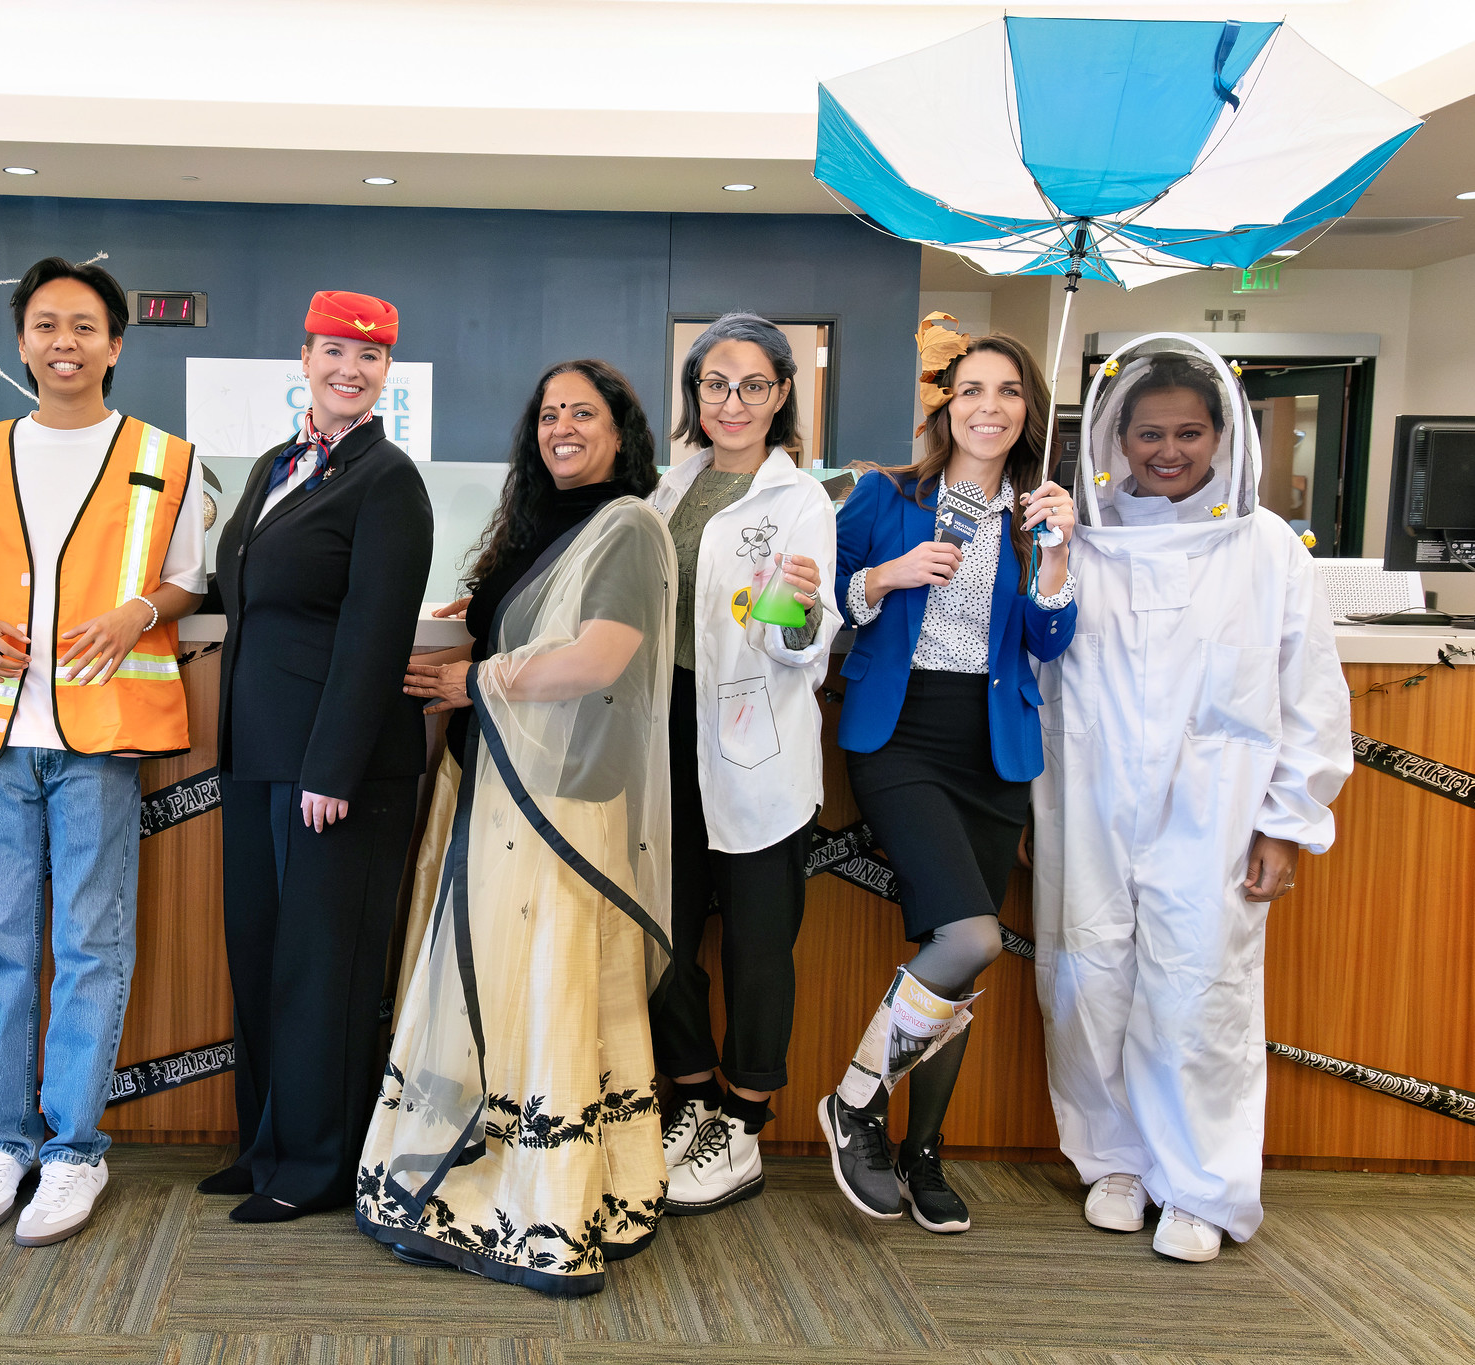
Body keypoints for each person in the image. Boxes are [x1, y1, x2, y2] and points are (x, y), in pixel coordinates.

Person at [356, 359, 676, 1297]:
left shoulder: (627, 523)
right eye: (548, 413)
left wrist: (475, 679)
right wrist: (480, 617)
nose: (562, 427)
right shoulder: (546, 528)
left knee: (543, 989)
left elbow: (598, 657)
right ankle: (532, 1179)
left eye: (583, 412)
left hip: (562, 802)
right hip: (503, 785)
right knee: (515, 987)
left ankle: (543, 1204)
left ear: (622, 431)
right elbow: (538, 628)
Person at [1031, 334, 1351, 1264]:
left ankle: (1203, 1185)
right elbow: (1041, 678)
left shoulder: (1264, 550)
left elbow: (1309, 694)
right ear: (1115, 439)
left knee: (1200, 989)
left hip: (1213, 811)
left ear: (1222, 436)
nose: (1166, 451)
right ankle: (1114, 1162)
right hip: (1086, 801)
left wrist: (1285, 825)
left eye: (1187, 432)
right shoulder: (1079, 538)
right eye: (1147, 434)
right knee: (1088, 979)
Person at [0, 258, 204, 1246]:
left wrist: (139, 609)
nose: (64, 341)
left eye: (84, 325)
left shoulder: (165, 455)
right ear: (22, 340)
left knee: (88, 947)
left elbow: (184, 579)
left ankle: (74, 1150)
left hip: (99, 738)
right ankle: (2, 1141)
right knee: (2, 951)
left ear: (115, 345)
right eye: (45, 324)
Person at [818, 318, 1076, 1235]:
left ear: (1026, 411)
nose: (989, 406)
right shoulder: (884, 494)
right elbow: (818, 606)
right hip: (899, 735)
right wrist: (885, 576)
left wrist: (1053, 560)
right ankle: (854, 1102)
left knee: (957, 974)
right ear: (946, 404)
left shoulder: (1038, 509)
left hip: (993, 746)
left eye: (1007, 391)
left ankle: (921, 1148)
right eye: (972, 389)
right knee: (967, 935)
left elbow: (1048, 643)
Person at [202, 291, 433, 1223]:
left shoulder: (389, 480)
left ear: (385, 374)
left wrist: (329, 769)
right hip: (258, 757)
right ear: (304, 356)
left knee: (321, 970)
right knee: (259, 957)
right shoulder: (273, 466)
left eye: (370, 357)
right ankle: (264, 1143)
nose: (351, 368)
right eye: (335, 350)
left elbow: (375, 636)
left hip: (335, 773)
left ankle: (317, 1163)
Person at [647, 314, 840, 1212]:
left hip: (752, 739)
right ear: (693, 394)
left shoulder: (801, 500)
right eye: (715, 383)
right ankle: (689, 1092)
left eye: (753, 384)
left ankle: (743, 1118)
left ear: (781, 395)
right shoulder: (663, 489)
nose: (732, 401)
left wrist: (796, 612)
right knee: (662, 937)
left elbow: (805, 643)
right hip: (661, 736)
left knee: (760, 944)